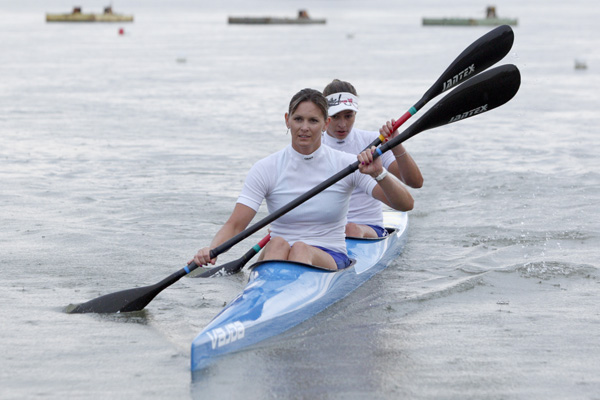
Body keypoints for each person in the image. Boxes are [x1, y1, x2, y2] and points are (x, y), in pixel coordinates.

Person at [192, 88, 413, 271]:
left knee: (300, 248)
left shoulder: (348, 164)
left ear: (325, 124)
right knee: (277, 243)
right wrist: (211, 250)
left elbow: (405, 204)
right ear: (287, 121)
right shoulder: (265, 168)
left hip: (330, 256)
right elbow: (235, 224)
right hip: (278, 253)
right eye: (298, 119)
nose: (304, 127)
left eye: (313, 120)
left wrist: (379, 174)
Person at [322, 79, 424, 238]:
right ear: (325, 115)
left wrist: (396, 144)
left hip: (366, 228)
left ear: (355, 113)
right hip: (325, 231)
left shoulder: (373, 143)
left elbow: (415, 182)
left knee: (350, 229)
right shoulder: (313, 148)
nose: (342, 124)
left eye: (348, 116)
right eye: (335, 117)